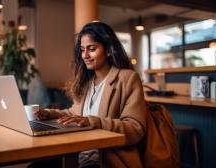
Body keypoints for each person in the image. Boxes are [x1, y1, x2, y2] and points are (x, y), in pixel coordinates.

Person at [29, 21, 147, 168]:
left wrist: (92, 122)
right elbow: (74, 113)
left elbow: (135, 129)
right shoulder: (86, 81)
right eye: (82, 49)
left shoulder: (128, 78)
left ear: (109, 50)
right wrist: (50, 113)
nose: (85, 55)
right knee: (35, 167)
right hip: (78, 154)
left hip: (105, 160)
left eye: (91, 49)